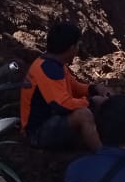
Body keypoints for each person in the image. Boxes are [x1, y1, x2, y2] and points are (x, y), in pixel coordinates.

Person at [20, 22, 110, 151]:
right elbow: (62, 105)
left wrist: (94, 89)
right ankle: (103, 154)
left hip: (50, 120)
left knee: (89, 108)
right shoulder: (48, 70)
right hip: (36, 133)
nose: (78, 49)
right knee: (84, 114)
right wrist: (92, 102)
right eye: (78, 45)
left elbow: (74, 87)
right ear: (71, 48)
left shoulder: (53, 63)